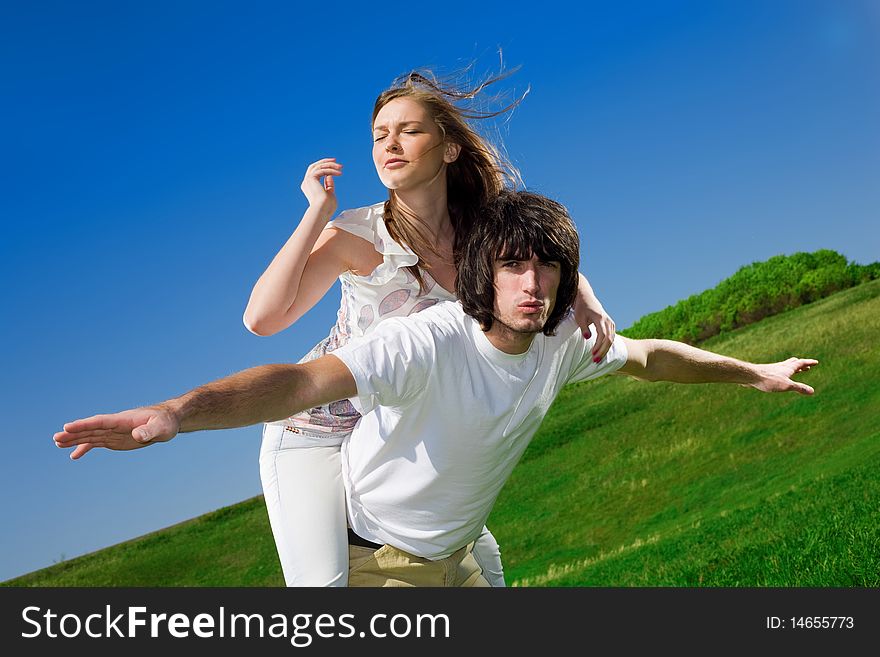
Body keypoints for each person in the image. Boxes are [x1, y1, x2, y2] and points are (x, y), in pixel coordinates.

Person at [54, 190, 818, 587]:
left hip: (460, 550)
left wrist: (758, 373)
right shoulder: (425, 339)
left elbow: (652, 357)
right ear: (483, 272)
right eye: (516, 264)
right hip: (380, 567)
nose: (533, 282)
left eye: (548, 268)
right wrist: (176, 412)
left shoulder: (559, 343)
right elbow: (294, 381)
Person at [240, 69, 616, 586]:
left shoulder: (481, 231)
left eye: (409, 131)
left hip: (399, 426)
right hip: (316, 430)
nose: (389, 144)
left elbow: (543, 253)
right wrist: (317, 212)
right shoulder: (356, 235)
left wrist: (587, 302)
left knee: (481, 559)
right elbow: (263, 318)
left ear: (448, 148)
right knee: (323, 589)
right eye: (379, 135)